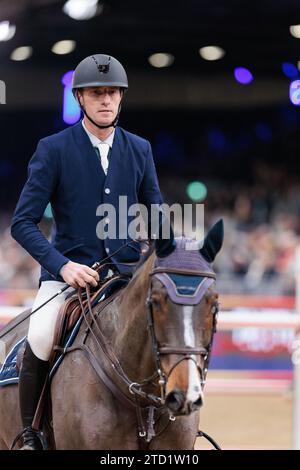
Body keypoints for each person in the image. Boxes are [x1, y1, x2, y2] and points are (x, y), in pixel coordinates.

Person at [10, 54, 163, 450]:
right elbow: (22, 223)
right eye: (97, 93)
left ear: (121, 98)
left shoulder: (140, 149)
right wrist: (63, 267)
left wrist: (171, 253)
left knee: (169, 330)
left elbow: (159, 216)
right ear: (80, 98)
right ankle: (31, 435)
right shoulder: (53, 149)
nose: (106, 100)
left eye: (112, 93)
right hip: (69, 277)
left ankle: (173, 420)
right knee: (41, 336)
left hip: (126, 275)